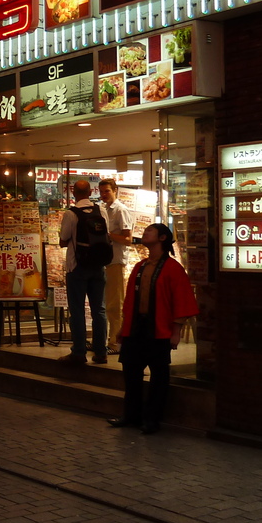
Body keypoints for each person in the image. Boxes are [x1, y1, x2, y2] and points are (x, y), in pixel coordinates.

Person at [108, 224, 199, 435]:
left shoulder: (173, 268)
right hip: (136, 328)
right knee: (131, 373)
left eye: (150, 231)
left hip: (159, 329)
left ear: (162, 237)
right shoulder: (140, 266)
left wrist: (176, 331)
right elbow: (131, 300)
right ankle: (131, 415)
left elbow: (182, 301)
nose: (145, 233)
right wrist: (124, 327)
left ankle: (151, 419)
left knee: (159, 376)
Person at [59, 179, 108, 365]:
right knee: (99, 310)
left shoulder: (71, 214)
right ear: (90, 191)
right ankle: (101, 352)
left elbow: (63, 240)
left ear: (73, 192)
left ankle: (79, 352)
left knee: (77, 311)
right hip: (98, 266)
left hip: (77, 266)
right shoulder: (101, 210)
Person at [99, 178, 134, 355]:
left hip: (116, 261)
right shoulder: (102, 209)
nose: (104, 195)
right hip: (104, 261)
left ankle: (116, 343)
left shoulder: (121, 210)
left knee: (115, 303)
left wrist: (107, 235)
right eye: (102, 191)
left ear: (115, 190)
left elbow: (128, 239)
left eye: (107, 191)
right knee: (104, 303)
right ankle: (106, 340)